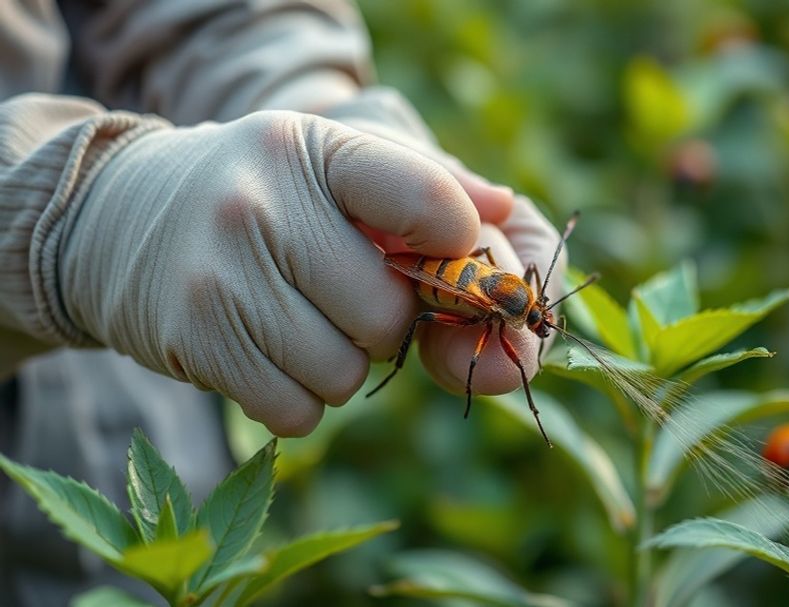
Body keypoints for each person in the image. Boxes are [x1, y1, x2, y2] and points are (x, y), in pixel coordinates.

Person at [0, 1, 565, 604]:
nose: (537, 320)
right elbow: (461, 338)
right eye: (532, 317)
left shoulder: (510, 300)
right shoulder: (490, 314)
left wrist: (305, 91)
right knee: (427, 316)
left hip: (172, 447)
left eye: (535, 316)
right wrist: (68, 215)